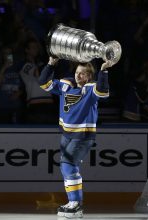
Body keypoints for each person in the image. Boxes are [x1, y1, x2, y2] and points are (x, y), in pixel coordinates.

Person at [39, 56, 114, 218]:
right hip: (66, 134)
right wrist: (51, 63)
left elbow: (102, 91)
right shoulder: (65, 86)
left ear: (89, 77)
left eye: (83, 74)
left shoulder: (91, 89)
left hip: (83, 135)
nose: (78, 76)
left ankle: (76, 203)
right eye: (77, 72)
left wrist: (103, 70)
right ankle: (74, 202)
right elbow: (43, 82)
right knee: (66, 167)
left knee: (68, 165)